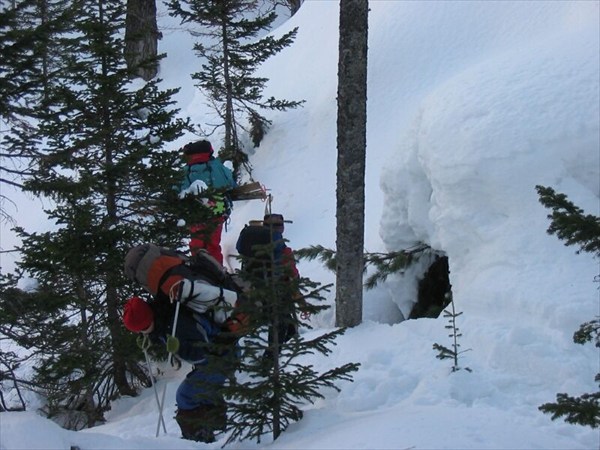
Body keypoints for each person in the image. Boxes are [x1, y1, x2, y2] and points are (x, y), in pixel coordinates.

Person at [122, 243, 243, 443]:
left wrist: (177, 347)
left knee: (185, 397)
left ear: (145, 324)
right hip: (223, 351)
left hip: (222, 357)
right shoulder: (165, 308)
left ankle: (199, 441)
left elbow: (200, 354)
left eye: (142, 329)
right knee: (200, 392)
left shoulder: (174, 324)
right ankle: (216, 431)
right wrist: (152, 336)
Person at [178, 140, 236, 265]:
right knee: (213, 245)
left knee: (197, 245)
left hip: (195, 214)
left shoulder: (186, 171)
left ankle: (201, 272)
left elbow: (177, 191)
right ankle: (217, 273)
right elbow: (230, 184)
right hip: (217, 211)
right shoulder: (216, 166)